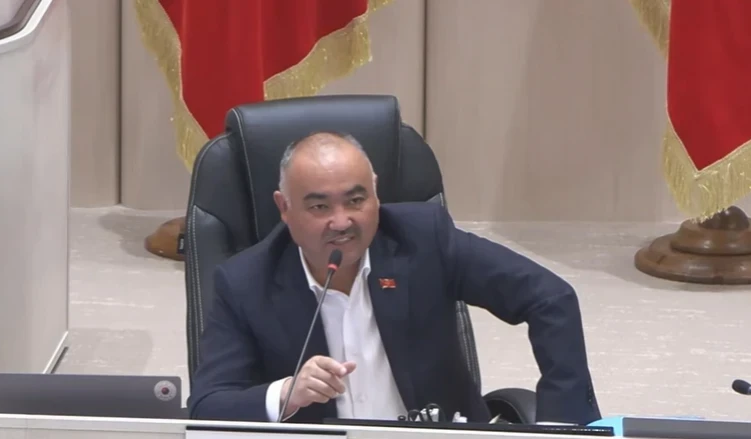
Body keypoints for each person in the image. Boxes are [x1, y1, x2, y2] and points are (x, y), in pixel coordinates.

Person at [187, 132, 601, 425]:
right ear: (284, 207)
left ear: (376, 193)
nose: (341, 222)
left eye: (356, 200)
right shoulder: (245, 282)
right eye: (319, 207)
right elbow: (207, 406)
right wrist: (286, 393)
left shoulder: (423, 239)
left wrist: (561, 425)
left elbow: (550, 298)